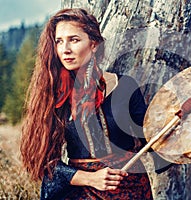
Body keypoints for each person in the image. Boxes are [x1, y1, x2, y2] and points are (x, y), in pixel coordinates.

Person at [20, 8, 153, 199]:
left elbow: (150, 140)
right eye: (59, 41)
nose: (65, 49)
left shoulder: (125, 86)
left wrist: (170, 120)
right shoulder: (54, 94)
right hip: (79, 191)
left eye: (74, 40)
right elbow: (43, 161)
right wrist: (90, 179)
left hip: (132, 189)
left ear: (94, 44)